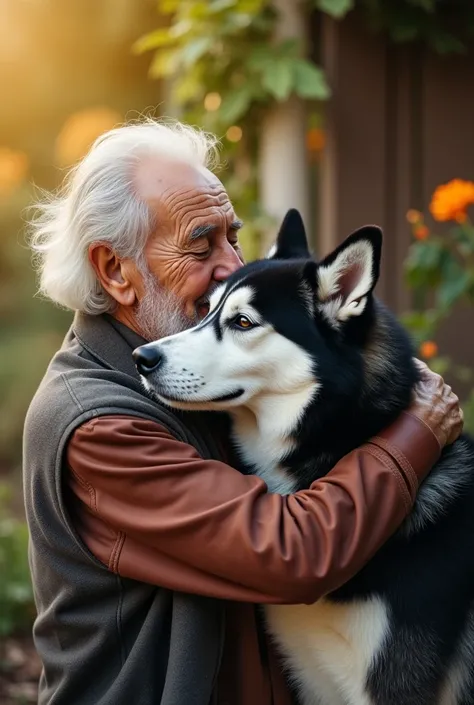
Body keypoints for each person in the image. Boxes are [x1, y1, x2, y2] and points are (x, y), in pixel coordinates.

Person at [23, 119, 463, 705]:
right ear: (114, 272)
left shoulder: (194, 382)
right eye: (201, 244)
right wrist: (414, 438)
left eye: (233, 237)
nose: (233, 266)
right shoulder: (99, 425)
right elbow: (291, 551)